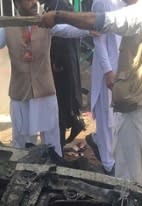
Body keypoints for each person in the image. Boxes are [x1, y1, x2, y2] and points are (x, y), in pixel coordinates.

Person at [39, 0, 142, 194]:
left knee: (129, 175)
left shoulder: (141, 13)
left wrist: (58, 16)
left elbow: (100, 21)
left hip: (140, 104)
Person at [0, 0, 88, 157]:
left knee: (51, 137)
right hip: (20, 94)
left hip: (45, 92)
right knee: (23, 139)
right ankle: (24, 171)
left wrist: (91, 29)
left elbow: (68, 30)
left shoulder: (45, 22)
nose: (33, 2)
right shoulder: (8, 27)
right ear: (17, 3)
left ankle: (53, 167)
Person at [85, 0, 122, 175]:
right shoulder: (103, 3)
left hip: (124, 68)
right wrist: (108, 71)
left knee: (119, 119)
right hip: (107, 70)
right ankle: (108, 165)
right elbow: (99, 40)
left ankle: (96, 140)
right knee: (107, 118)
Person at [43, 0, 86, 149]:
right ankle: (74, 121)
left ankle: (59, 144)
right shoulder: (56, 5)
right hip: (65, 63)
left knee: (59, 105)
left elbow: (62, 35)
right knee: (64, 102)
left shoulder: (59, 6)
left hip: (61, 66)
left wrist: (58, 61)